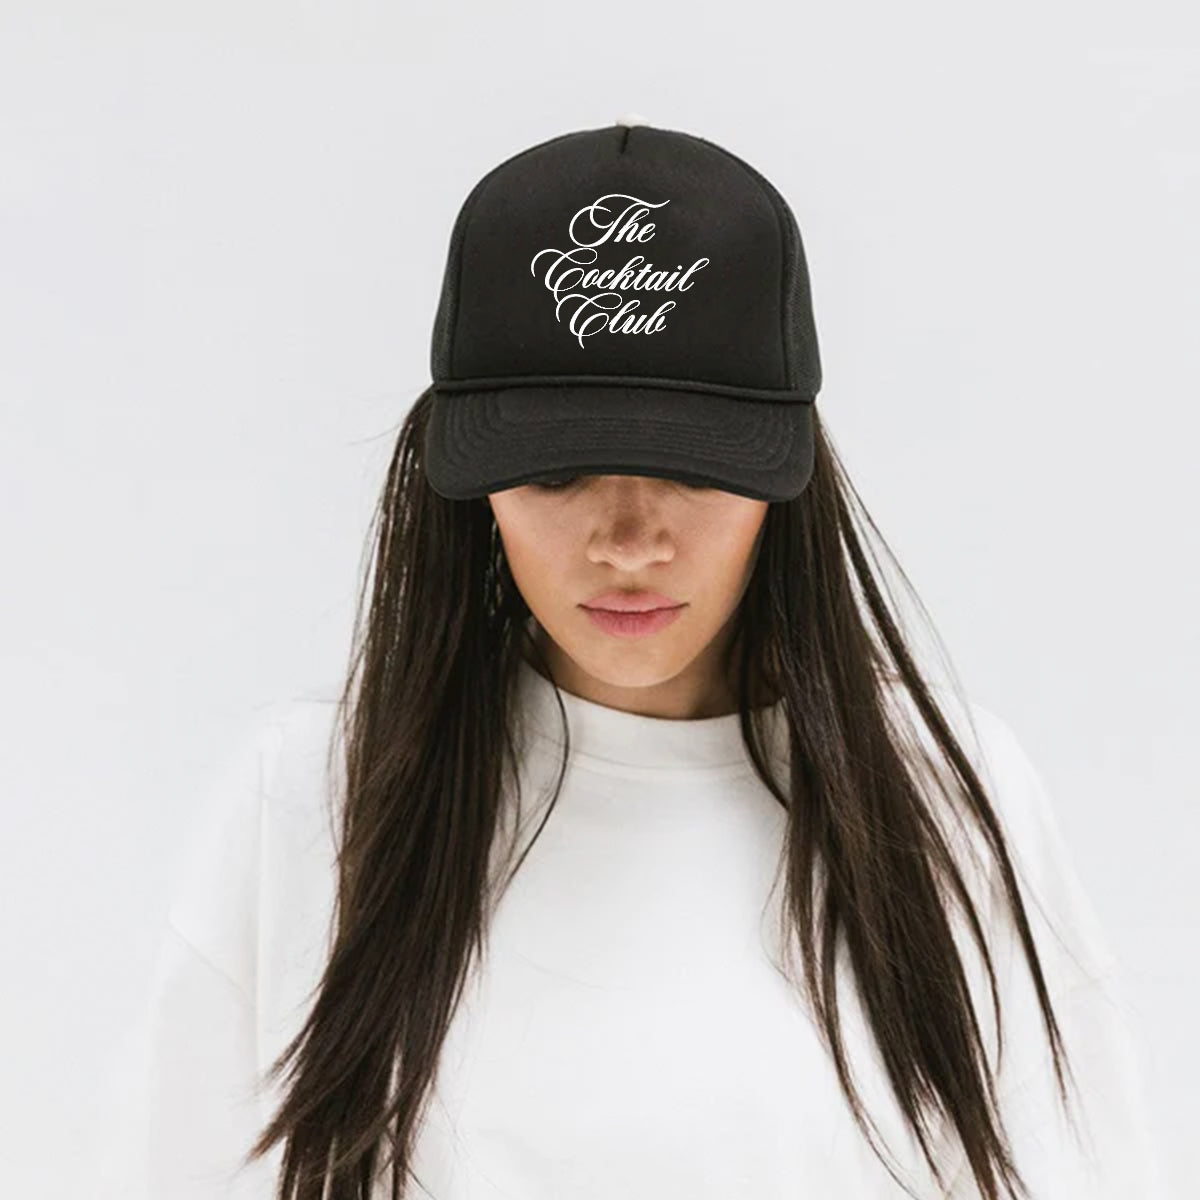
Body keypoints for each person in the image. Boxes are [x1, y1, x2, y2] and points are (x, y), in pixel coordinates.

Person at [80, 118, 1168, 1200]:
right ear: (473, 488)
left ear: (785, 477)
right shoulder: (314, 798)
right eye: (558, 475)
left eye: (693, 469)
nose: (630, 539)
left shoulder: (945, 789)